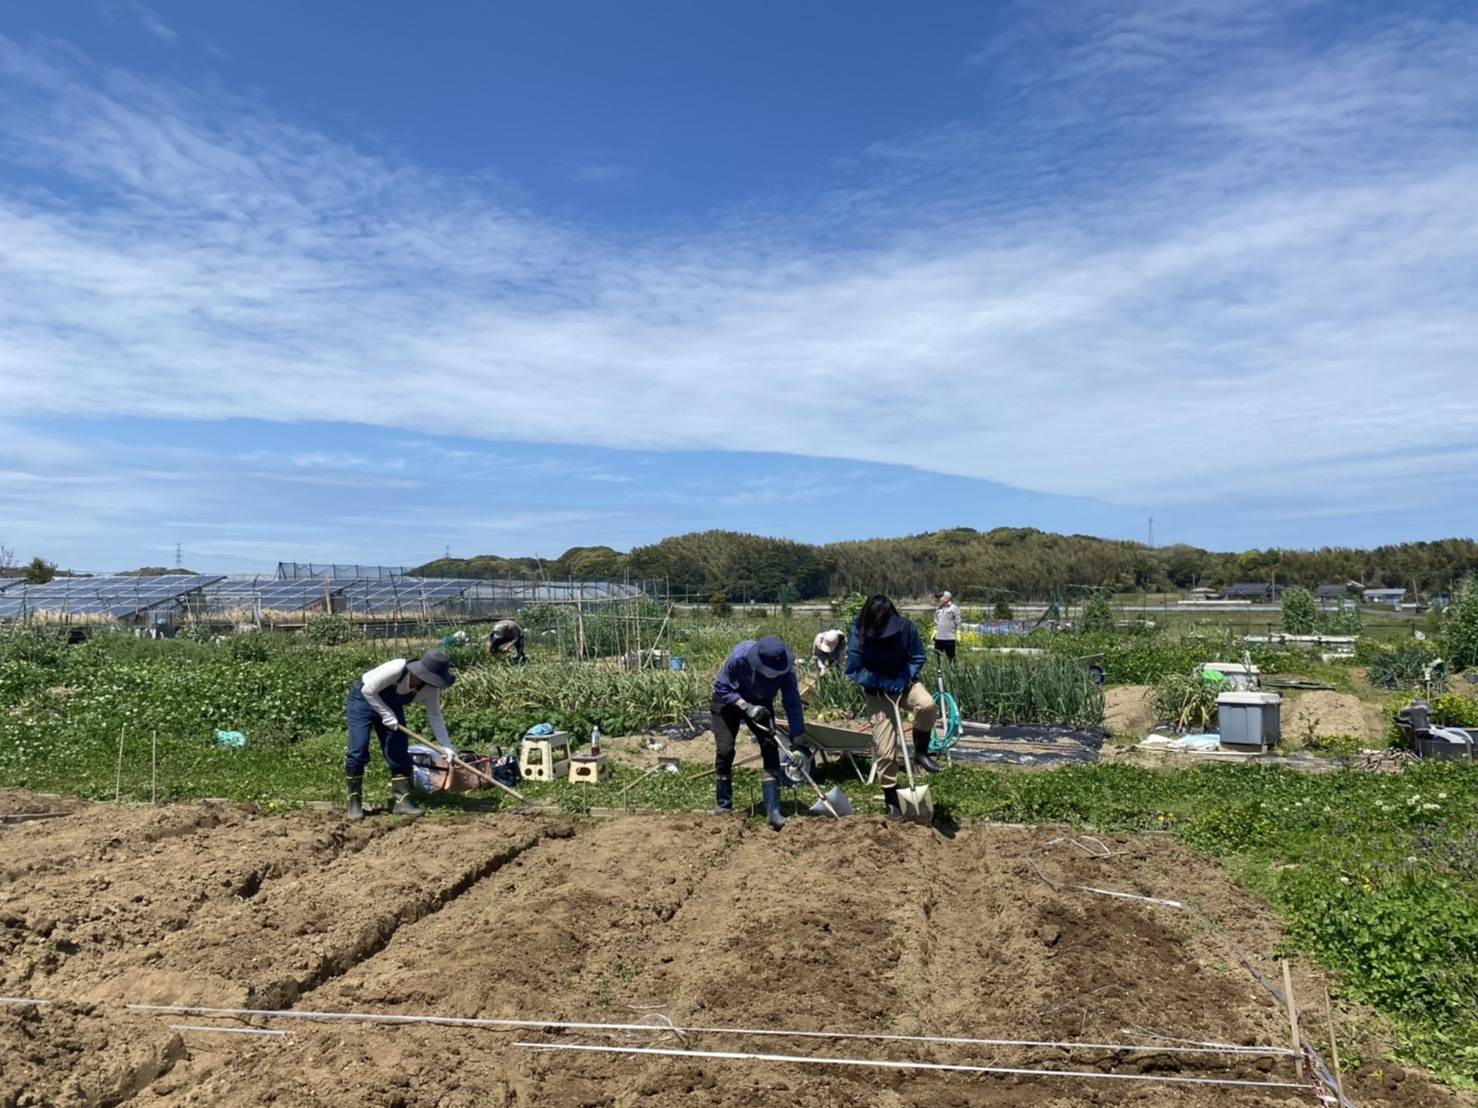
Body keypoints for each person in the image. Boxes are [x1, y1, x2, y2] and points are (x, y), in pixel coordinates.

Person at [846, 595, 941, 817]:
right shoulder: (859, 631)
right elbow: (854, 668)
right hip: (878, 692)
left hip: (904, 683)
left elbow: (918, 656)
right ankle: (891, 799)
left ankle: (921, 752)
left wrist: (904, 677)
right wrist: (879, 682)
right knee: (886, 750)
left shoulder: (906, 628)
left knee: (927, 705)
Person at [345, 648, 456, 821]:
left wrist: (447, 746)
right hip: (363, 700)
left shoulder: (430, 689)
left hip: (392, 706)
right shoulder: (397, 668)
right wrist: (386, 714)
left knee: (398, 750)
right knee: (359, 749)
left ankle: (402, 801)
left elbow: (435, 716)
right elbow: (368, 690)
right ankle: (354, 801)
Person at [711, 635, 809, 830]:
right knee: (725, 750)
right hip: (728, 700)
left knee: (770, 747)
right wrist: (744, 706)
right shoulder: (740, 657)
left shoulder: (786, 670)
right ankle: (724, 805)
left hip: (761, 703)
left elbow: (792, 702)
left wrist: (798, 744)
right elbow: (721, 686)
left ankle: (773, 811)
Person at [933, 591, 963, 662]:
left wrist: (958, 632)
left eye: (941, 597)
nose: (939, 599)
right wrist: (934, 632)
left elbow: (958, 621)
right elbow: (936, 621)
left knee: (951, 658)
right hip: (938, 638)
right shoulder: (938, 608)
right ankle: (939, 669)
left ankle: (952, 668)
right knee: (938, 658)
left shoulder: (954, 608)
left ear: (947, 598)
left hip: (949, 638)